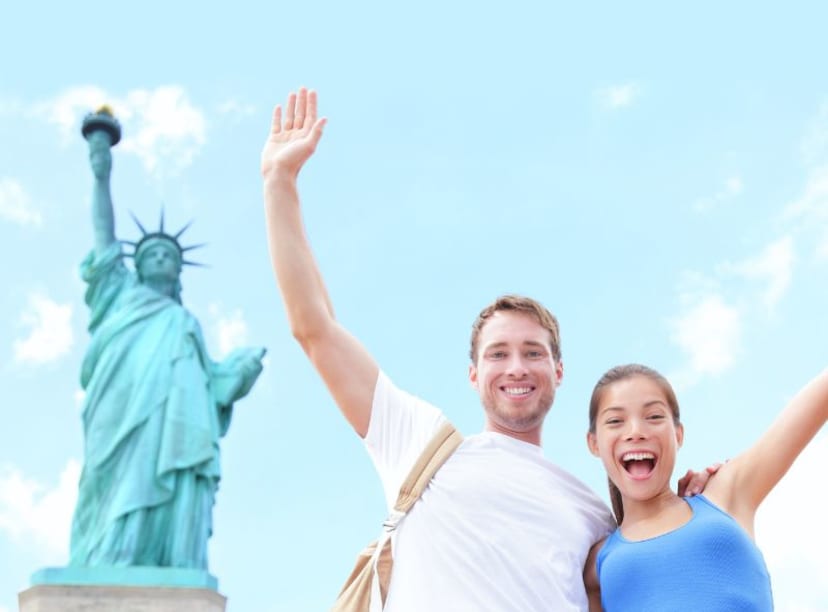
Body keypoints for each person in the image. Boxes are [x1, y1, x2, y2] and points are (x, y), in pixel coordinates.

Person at [261, 88, 711, 610]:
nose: (515, 367)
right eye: (497, 354)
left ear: (558, 371)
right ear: (473, 375)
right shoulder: (419, 444)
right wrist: (279, 183)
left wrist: (695, 500)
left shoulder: (594, 518)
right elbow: (315, 328)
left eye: (533, 352)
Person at [69, 108, 265, 570]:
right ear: (137, 264)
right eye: (152, 253)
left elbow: (210, 385)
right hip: (119, 411)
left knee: (174, 480)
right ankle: (106, 563)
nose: (161, 258)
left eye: (169, 255)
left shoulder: (185, 324)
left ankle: (167, 564)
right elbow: (103, 234)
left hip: (175, 424)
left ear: (178, 271)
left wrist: (237, 374)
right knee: (111, 484)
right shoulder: (117, 294)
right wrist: (101, 171)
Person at [584, 363, 827, 611]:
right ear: (594, 443)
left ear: (678, 434)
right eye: (615, 420)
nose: (635, 432)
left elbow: (819, 396)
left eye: (654, 416)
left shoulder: (725, 494)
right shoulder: (597, 566)